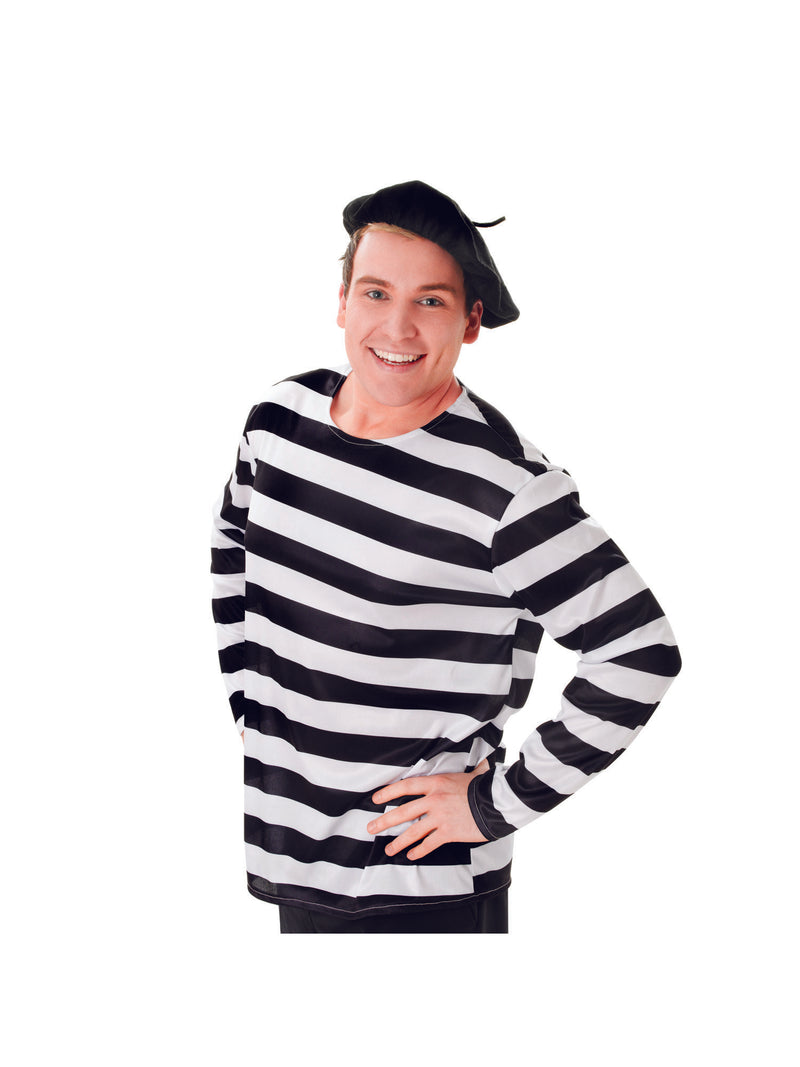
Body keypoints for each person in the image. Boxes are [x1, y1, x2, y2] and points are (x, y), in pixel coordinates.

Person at [211, 180, 681, 934]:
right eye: (375, 292)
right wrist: (249, 705)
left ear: (471, 322)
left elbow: (640, 652)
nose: (397, 325)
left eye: (430, 300)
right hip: (294, 853)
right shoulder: (277, 423)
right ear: (342, 302)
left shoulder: (507, 490)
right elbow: (233, 552)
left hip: (423, 881)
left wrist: (494, 805)